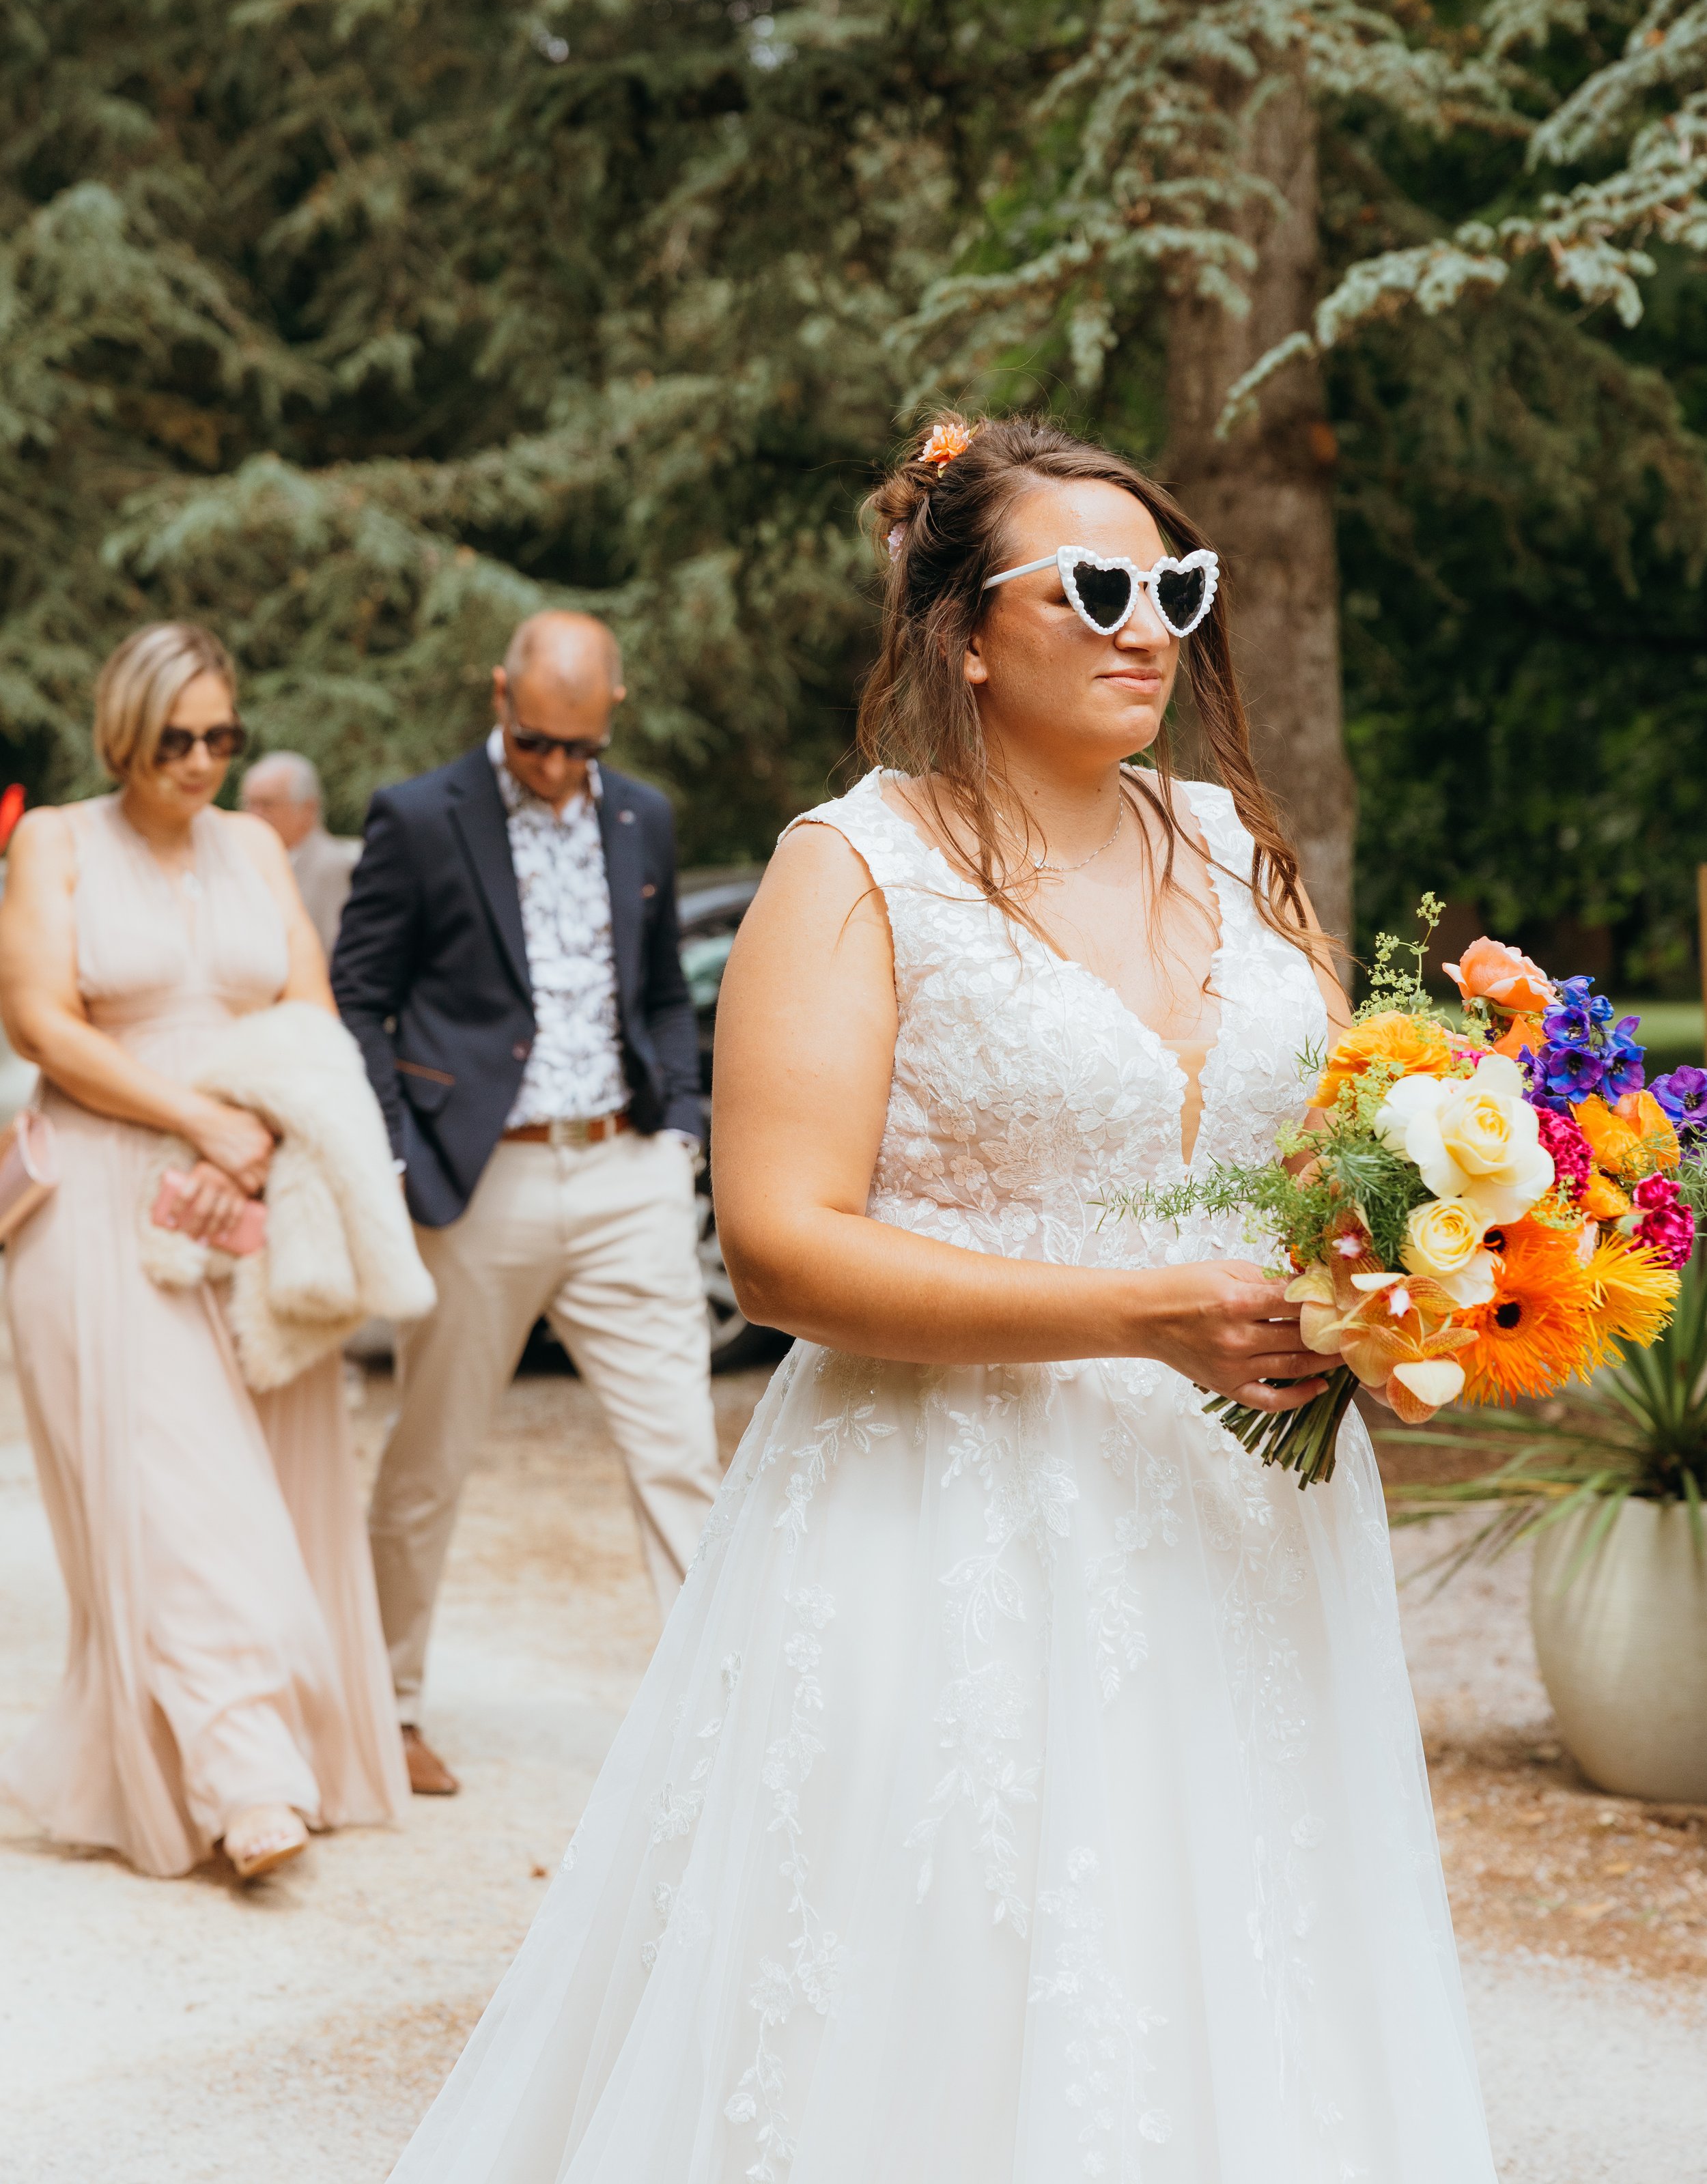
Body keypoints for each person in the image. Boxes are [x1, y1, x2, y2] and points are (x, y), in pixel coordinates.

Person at [386, 417, 1497, 2184]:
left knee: (1244, 1948)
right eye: (1101, 588)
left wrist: (1453, 1203)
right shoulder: (856, 867)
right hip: (958, 1520)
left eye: (1177, 589)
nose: (1151, 625)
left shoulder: (1230, 844)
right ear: (966, 629)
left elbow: (1316, 1146)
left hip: (1247, 1516)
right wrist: (1138, 1312)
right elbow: (778, 1244)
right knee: (965, 1979)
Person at [0, 623, 408, 1881]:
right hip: (105, 1198)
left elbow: (310, 1006)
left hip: (244, 1192)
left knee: (279, 1481)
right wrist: (193, 1120)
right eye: (174, 739)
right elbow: (38, 1021)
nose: (200, 761)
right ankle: (243, 1783)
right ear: (123, 734)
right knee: (175, 1490)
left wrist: (268, 1140)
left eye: (221, 736)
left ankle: (275, 1754)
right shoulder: (55, 840)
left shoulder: (249, 844)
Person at [333, 610, 719, 1800]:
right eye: (536, 740)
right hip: (475, 1180)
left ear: (614, 713)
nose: (556, 767)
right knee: (430, 1459)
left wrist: (685, 1133)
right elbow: (358, 995)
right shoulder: (416, 818)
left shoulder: (640, 814)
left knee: (681, 1457)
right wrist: (397, 1155)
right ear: (499, 695)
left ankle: (716, 1722)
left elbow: (661, 991)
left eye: (579, 747)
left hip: (626, 1176)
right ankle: (384, 1710)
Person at [240, 750, 361, 959]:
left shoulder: (333, 867)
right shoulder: (246, 862)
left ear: (308, 809)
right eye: (250, 804)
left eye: (267, 805)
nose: (255, 815)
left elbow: (337, 952)